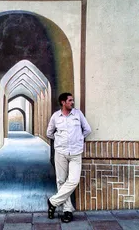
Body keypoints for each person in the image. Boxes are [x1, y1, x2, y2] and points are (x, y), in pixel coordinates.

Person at [46, 92, 91, 222]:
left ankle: (53, 202)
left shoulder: (78, 114)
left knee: (73, 180)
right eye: (70, 100)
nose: (72, 102)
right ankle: (67, 211)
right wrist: (60, 140)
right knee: (61, 181)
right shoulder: (56, 117)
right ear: (63, 102)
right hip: (60, 152)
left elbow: (87, 130)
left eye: (72, 100)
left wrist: (78, 139)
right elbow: (49, 133)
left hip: (76, 153)